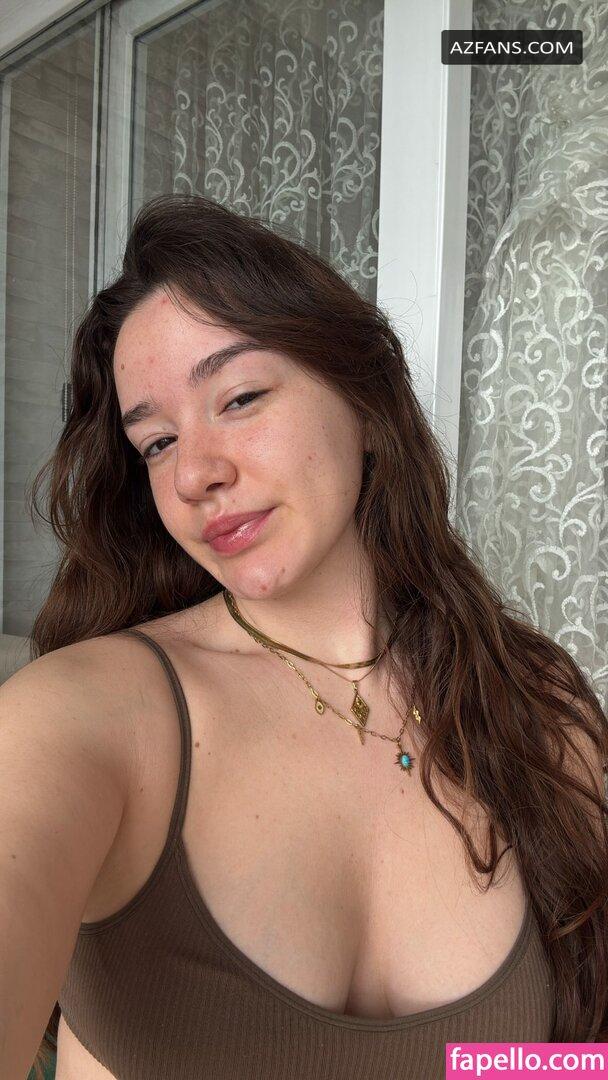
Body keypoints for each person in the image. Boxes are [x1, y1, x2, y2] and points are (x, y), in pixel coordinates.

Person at [1, 194, 606, 1080]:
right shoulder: (80, 715)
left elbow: (571, 1058)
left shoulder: (536, 706)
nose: (195, 473)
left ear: (366, 405)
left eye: (240, 398)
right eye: (157, 443)